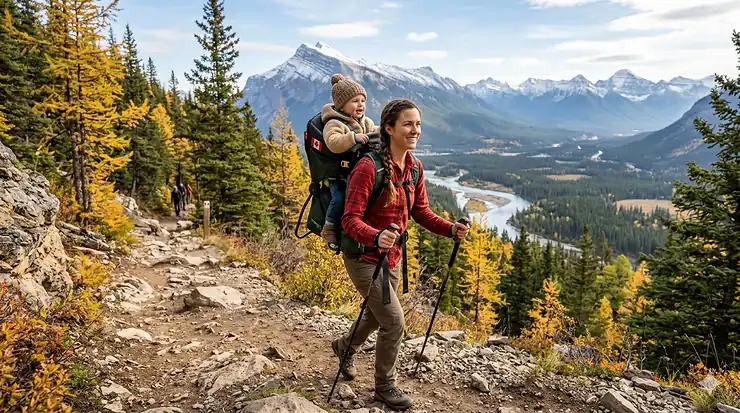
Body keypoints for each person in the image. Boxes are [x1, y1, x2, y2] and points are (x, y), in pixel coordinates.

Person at [332, 98, 469, 410]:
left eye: (418, 124)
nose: (415, 130)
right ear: (389, 129)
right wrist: (376, 235)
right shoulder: (369, 168)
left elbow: (420, 212)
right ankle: (384, 386)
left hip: (391, 256)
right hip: (363, 256)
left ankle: (344, 347)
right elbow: (349, 220)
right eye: (408, 124)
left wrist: (450, 229)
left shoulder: (414, 168)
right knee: (394, 321)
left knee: (375, 315)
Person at [320, 73, 379, 246]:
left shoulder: (365, 121)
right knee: (339, 198)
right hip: (339, 173)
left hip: (357, 170)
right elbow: (333, 143)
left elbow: (374, 129)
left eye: (362, 100)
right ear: (341, 104)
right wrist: (353, 138)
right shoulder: (334, 123)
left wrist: (388, 130)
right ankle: (329, 227)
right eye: (354, 101)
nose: (360, 104)